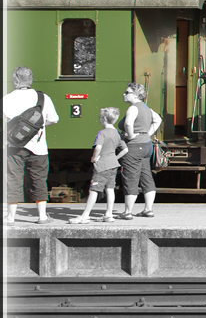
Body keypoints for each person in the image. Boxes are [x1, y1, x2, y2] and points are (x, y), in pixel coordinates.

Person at [5, 66, 59, 225]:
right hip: (39, 147)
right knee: (39, 180)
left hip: (14, 147)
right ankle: (42, 216)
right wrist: (38, 127)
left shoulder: (7, 98)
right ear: (31, 79)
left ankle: (10, 217)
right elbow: (54, 119)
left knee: (13, 179)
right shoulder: (43, 98)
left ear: (15, 79)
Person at [71, 108, 128, 224]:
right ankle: (109, 214)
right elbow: (125, 150)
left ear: (104, 119)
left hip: (102, 166)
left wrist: (94, 158)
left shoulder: (102, 133)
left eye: (100, 118)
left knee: (94, 190)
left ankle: (85, 216)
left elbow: (98, 147)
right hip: (113, 165)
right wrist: (115, 158)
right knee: (110, 189)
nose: (99, 120)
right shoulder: (116, 133)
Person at [119, 82, 161, 219]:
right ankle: (148, 210)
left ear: (136, 94)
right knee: (146, 177)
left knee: (130, 177)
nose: (124, 95)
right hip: (146, 145)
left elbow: (128, 124)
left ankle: (127, 212)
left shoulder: (133, 108)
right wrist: (147, 133)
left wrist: (130, 136)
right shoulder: (147, 108)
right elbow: (158, 120)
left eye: (127, 92)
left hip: (134, 147)